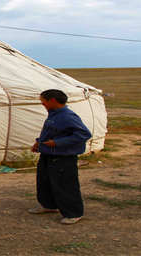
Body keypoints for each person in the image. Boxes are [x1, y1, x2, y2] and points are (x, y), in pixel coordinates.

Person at [27, 89, 92, 225]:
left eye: (43, 102)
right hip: (48, 154)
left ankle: (74, 213)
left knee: (65, 185)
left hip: (63, 157)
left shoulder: (68, 116)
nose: (42, 104)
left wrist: (57, 143)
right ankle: (49, 205)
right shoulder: (53, 114)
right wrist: (38, 142)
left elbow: (84, 134)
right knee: (44, 181)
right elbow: (50, 132)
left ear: (53, 101)